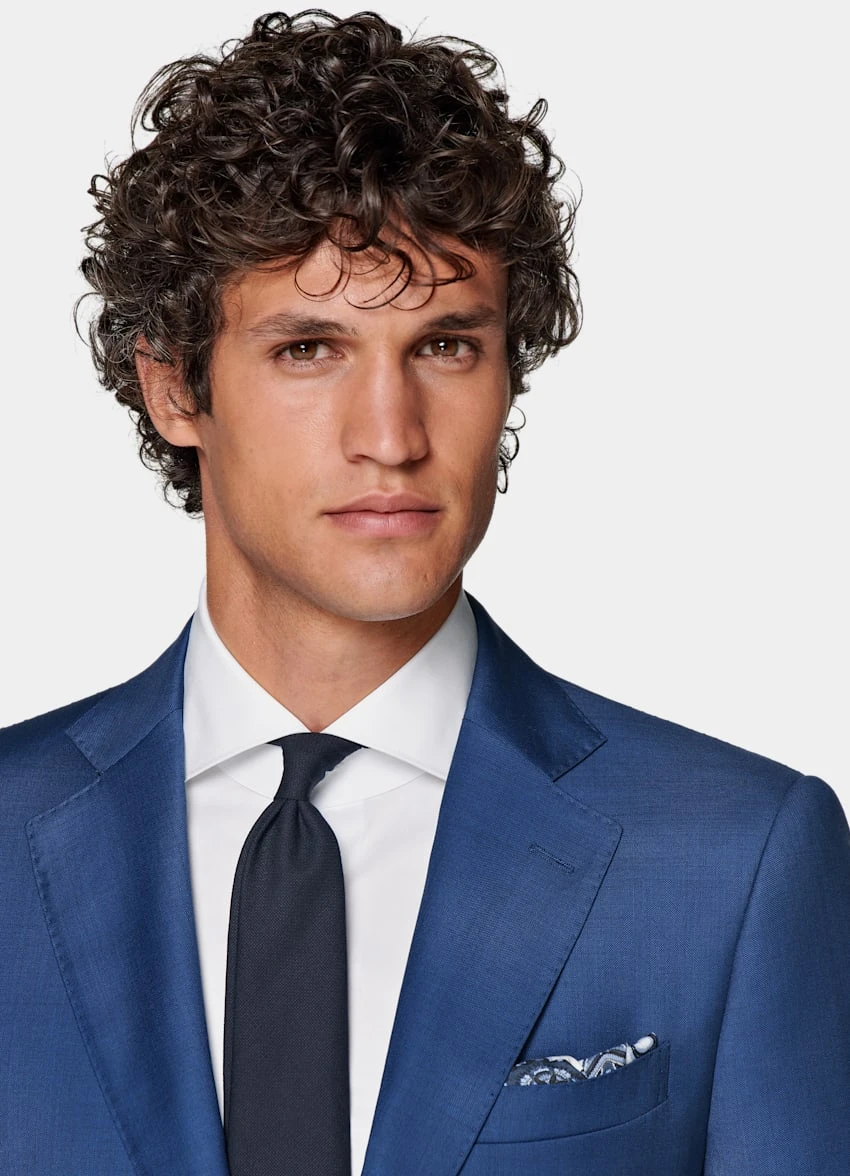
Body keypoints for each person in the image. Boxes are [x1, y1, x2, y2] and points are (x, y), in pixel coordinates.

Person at [1, 9, 848, 1175]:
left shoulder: (733, 859)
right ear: (174, 390)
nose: (391, 436)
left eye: (445, 346)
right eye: (309, 350)